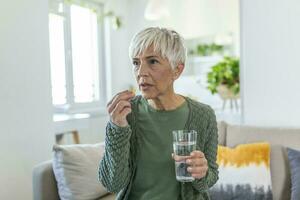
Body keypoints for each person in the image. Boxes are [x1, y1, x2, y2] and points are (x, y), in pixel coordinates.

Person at [98, 27, 218, 200]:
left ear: (177, 70)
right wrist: (117, 128)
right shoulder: (126, 113)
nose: (140, 72)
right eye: (136, 63)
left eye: (152, 61)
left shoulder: (204, 115)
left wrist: (202, 172)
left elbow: (210, 177)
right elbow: (112, 184)